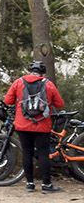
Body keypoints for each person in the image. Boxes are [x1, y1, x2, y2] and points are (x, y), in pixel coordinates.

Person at [4, 60, 67, 193]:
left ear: (29, 70)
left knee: (27, 153)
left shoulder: (18, 82)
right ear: (43, 73)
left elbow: (8, 101)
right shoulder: (48, 84)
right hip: (42, 125)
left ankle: (30, 184)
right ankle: (46, 185)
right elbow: (60, 104)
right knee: (44, 154)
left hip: (22, 124)